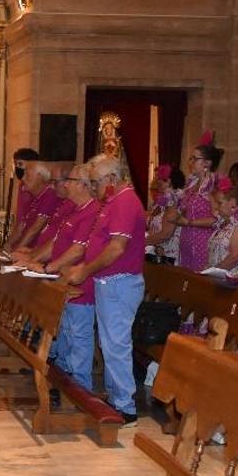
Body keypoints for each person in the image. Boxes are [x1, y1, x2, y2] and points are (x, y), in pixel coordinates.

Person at [64, 154, 146, 424]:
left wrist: (85, 271)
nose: (94, 187)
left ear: (112, 179)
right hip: (109, 283)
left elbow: (116, 249)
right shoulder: (112, 201)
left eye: (97, 182)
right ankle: (116, 397)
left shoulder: (125, 202)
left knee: (116, 344)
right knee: (109, 343)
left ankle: (126, 406)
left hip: (120, 283)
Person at [45, 166, 102, 391]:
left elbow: (78, 250)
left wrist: (49, 267)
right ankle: (63, 383)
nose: (65, 184)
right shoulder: (75, 209)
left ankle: (80, 389)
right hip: (64, 281)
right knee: (66, 334)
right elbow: (58, 243)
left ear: (83, 185)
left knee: (79, 337)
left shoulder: (92, 211)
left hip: (80, 285)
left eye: (70, 180)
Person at [173, 133, 223, 270]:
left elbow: (218, 219)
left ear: (207, 163)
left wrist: (190, 222)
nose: (190, 162)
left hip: (203, 243)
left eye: (195, 159)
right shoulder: (191, 184)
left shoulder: (214, 185)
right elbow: (183, 211)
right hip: (186, 241)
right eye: (191, 158)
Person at [205, 180, 238, 274]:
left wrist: (212, 271)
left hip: (232, 279)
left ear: (233, 204)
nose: (215, 207)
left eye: (219, 203)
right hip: (216, 277)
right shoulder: (223, 224)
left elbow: (236, 256)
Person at [5, 163, 58, 252]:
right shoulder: (33, 197)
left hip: (33, 252)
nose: (23, 178)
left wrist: (15, 252)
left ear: (39, 177)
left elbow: (35, 228)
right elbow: (20, 227)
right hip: (23, 250)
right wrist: (7, 246)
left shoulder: (50, 195)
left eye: (27, 175)